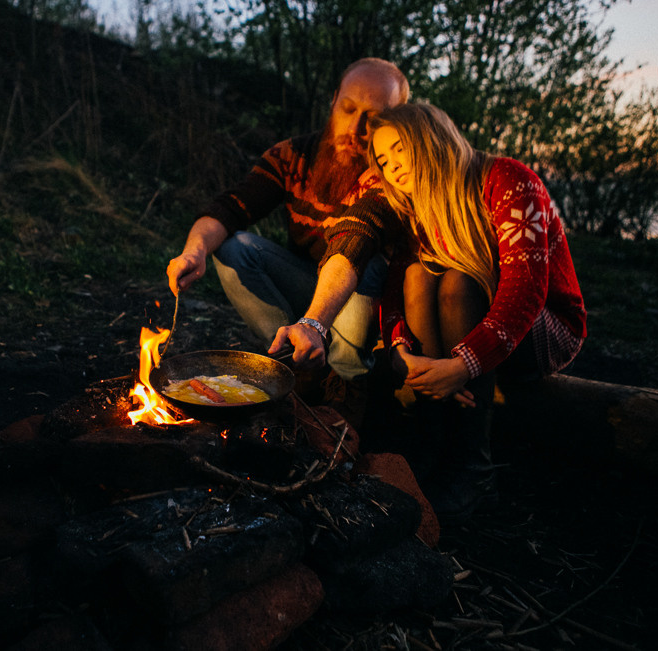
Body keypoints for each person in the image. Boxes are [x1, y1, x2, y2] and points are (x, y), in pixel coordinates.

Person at [368, 102, 587, 521]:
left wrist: (465, 364)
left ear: (430, 138)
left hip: (542, 330)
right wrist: (401, 349)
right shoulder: (418, 207)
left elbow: (526, 290)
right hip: (470, 341)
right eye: (382, 159)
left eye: (399, 148)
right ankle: (432, 443)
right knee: (417, 274)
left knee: (457, 283)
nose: (392, 165)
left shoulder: (507, 180)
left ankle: (475, 472)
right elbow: (396, 286)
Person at [165, 58, 410, 415]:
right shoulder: (293, 155)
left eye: (372, 118)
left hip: (363, 306)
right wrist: (194, 251)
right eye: (348, 109)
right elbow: (231, 206)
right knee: (235, 247)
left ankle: (346, 385)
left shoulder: (392, 174)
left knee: (370, 264)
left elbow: (353, 240)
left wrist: (313, 323)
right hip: (310, 285)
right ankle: (289, 363)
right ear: (333, 103)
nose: (355, 128)